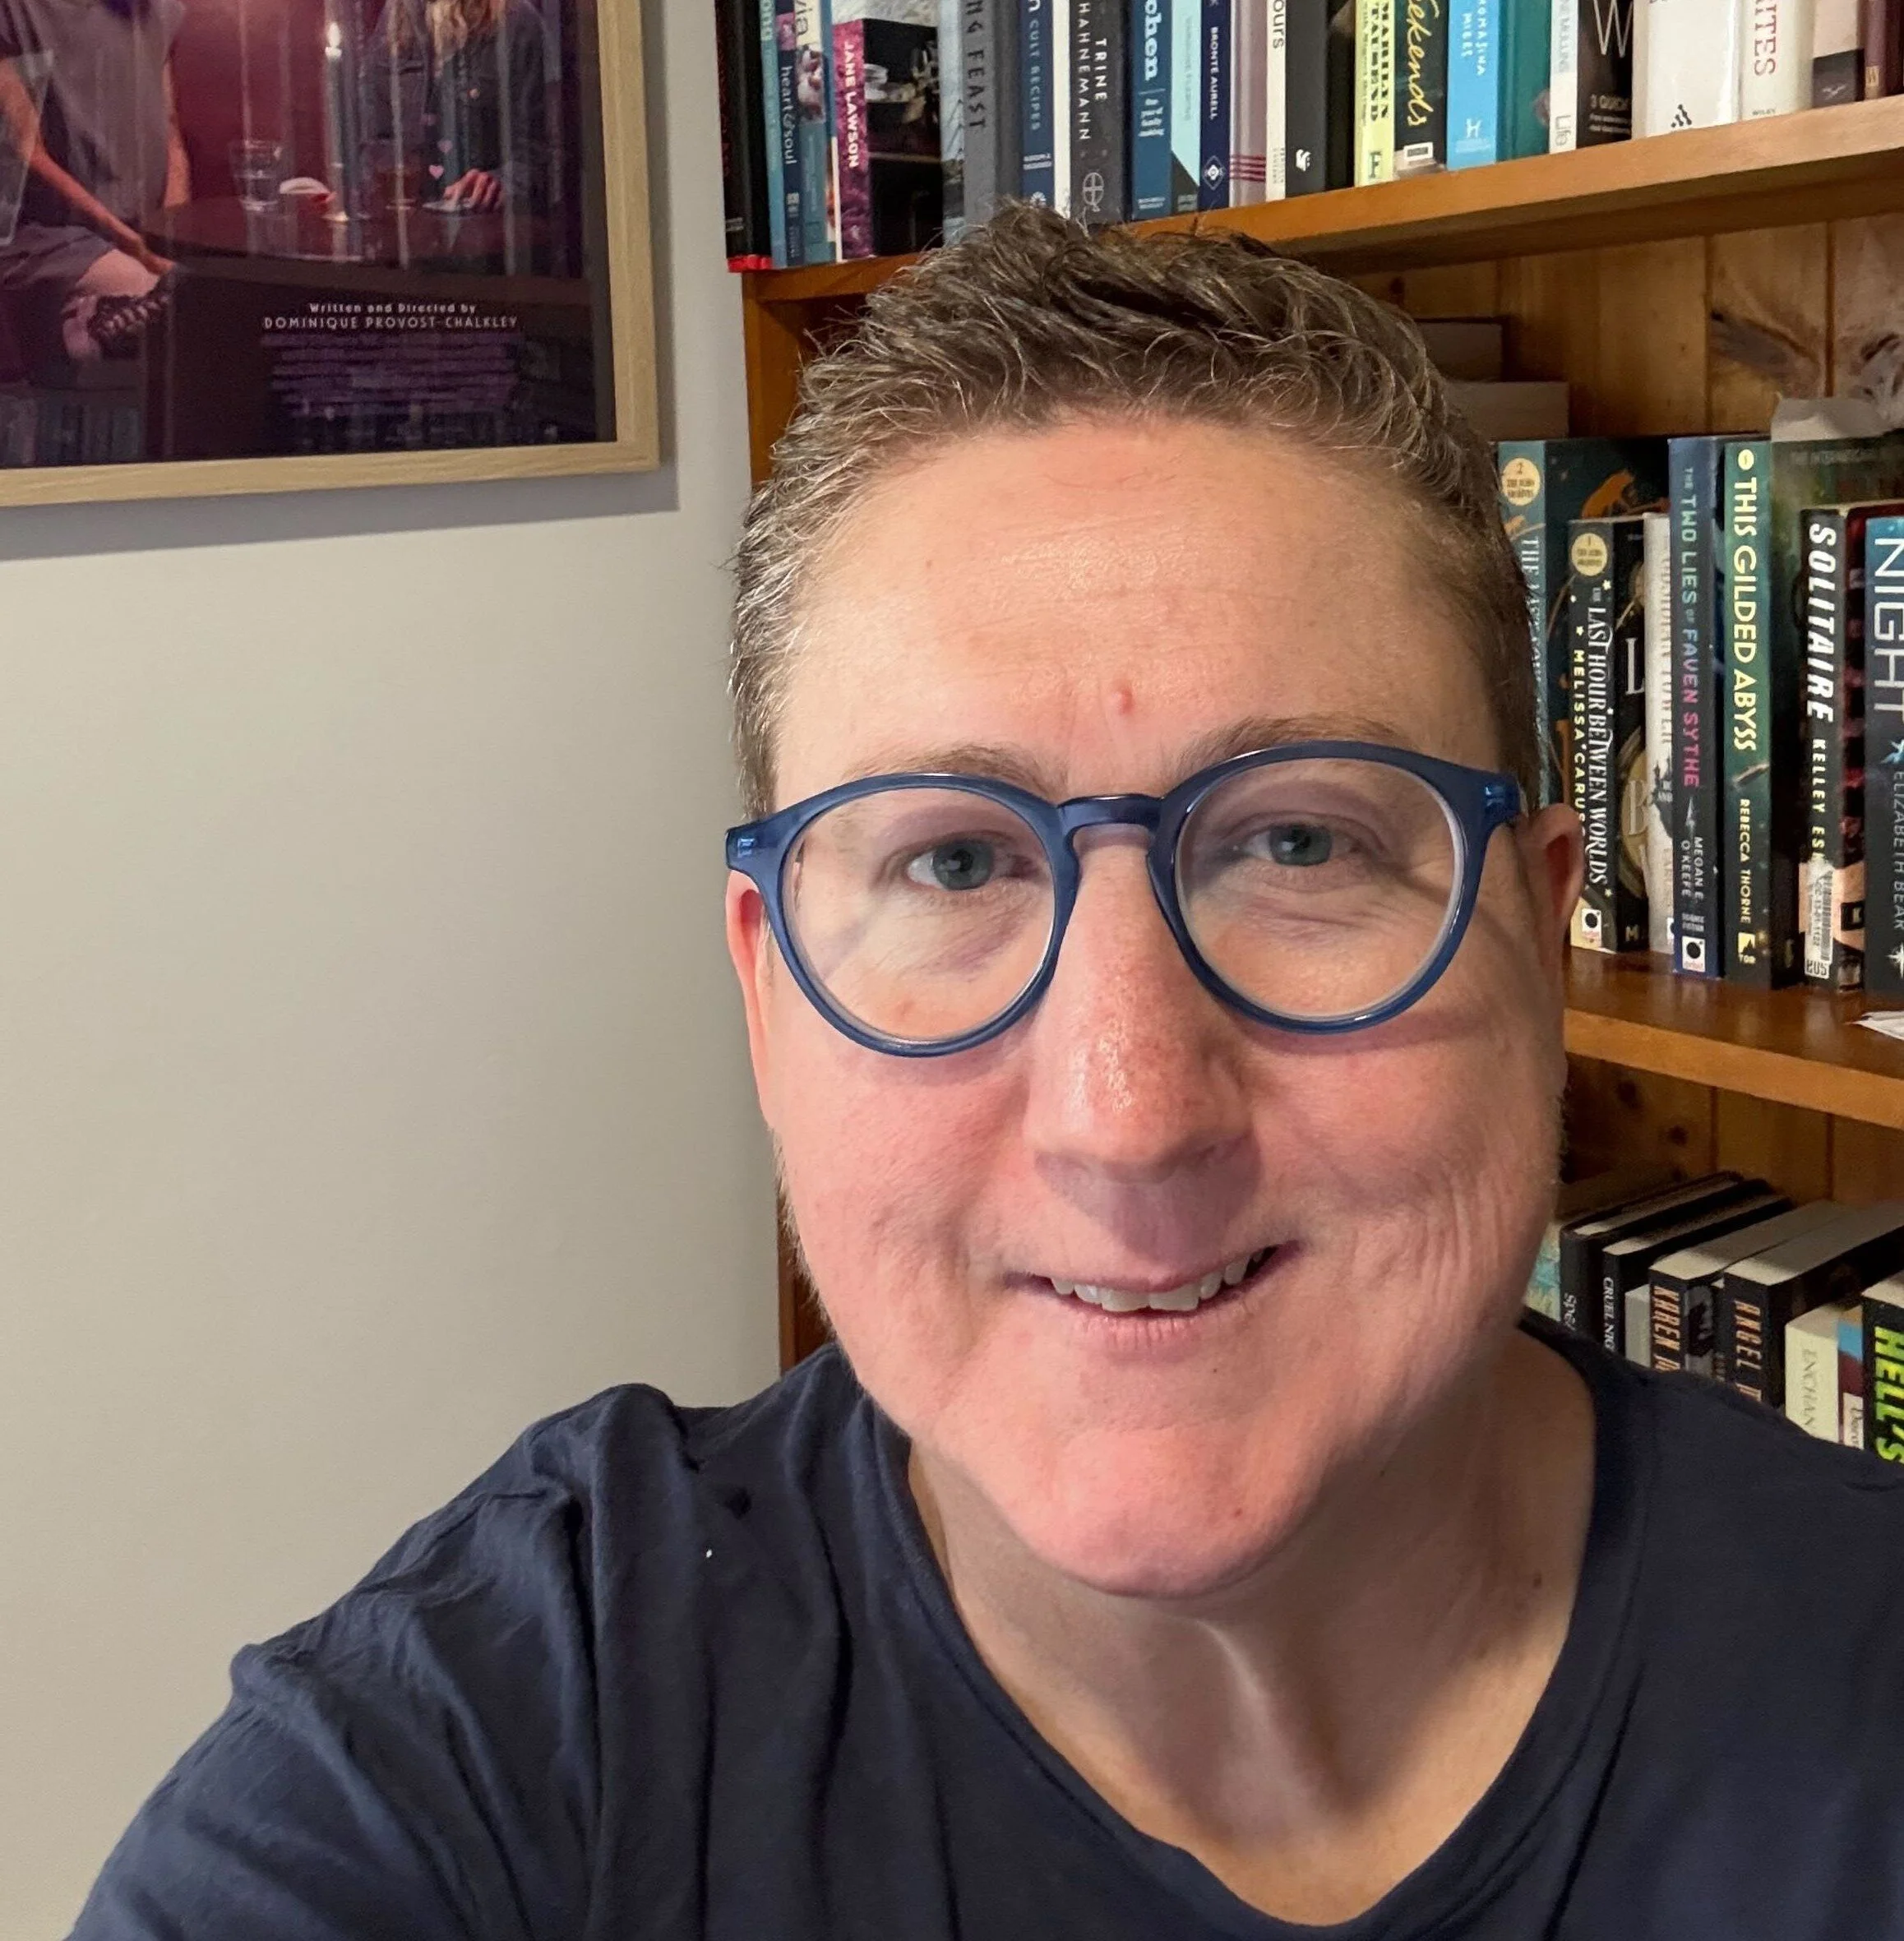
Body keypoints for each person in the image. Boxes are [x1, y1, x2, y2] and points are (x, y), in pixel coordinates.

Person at [67, 206, 1904, 1938]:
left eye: (1298, 847)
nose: (1130, 1111)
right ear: (767, 997)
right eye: (952, 861)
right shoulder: (482, 1756)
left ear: (1540, 933)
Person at [0, 0, 185, 372]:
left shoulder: (162, 10)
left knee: (224, 302)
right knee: (164, 303)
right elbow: (26, 152)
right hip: (39, 235)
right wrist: (138, 249)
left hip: (139, 237)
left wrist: (172, 238)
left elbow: (170, 132)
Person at [362, 0, 550, 214]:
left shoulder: (516, 18)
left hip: (486, 231)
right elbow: (374, 141)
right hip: (405, 230)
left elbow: (540, 154)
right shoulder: (395, 16)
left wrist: (503, 182)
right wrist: (359, 187)